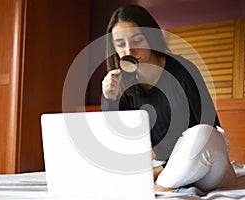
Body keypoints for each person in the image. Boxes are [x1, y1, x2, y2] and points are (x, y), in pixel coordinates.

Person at [101, 4, 237, 193]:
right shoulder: (121, 85)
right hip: (166, 169)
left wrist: (158, 170)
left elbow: (211, 130)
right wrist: (109, 99)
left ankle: (158, 185)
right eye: (120, 44)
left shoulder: (183, 71)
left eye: (137, 39)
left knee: (202, 133)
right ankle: (165, 184)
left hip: (209, 167)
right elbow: (118, 142)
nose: (129, 50)